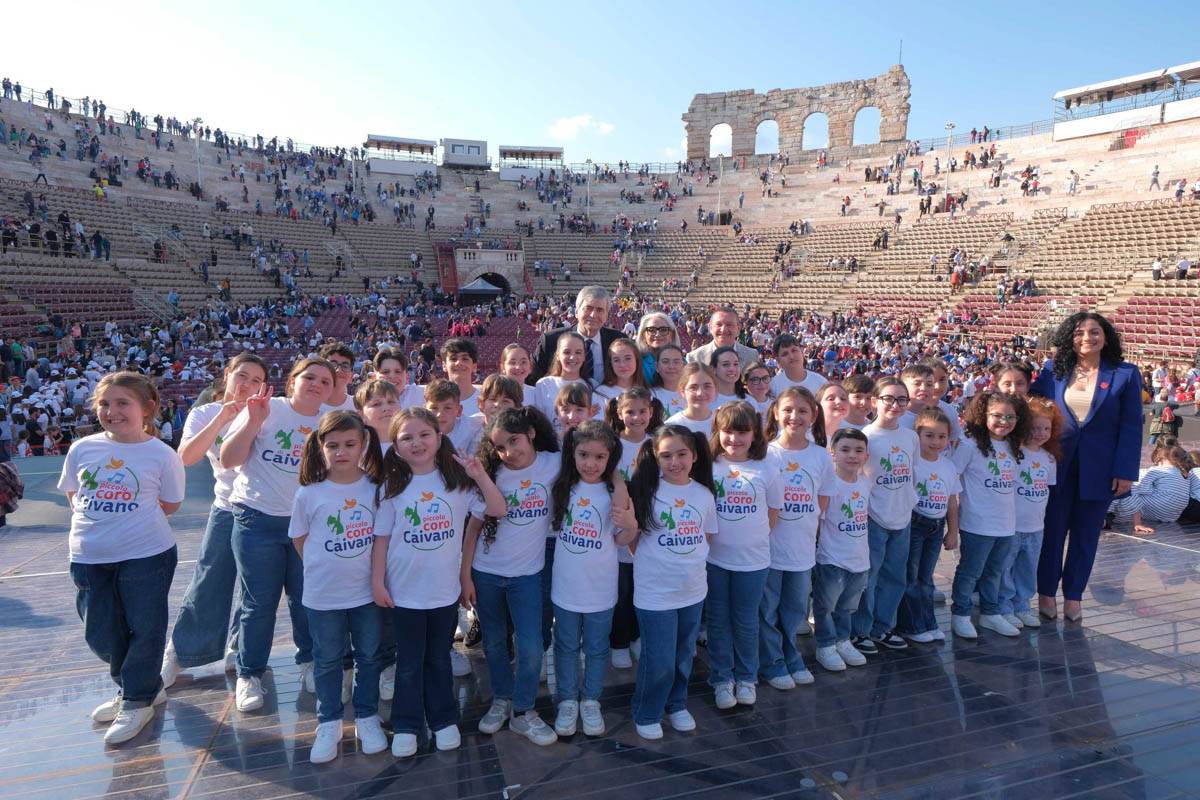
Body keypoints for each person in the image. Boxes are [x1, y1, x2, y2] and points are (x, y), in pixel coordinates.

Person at [59, 372, 186, 744]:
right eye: (104, 403)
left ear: (147, 408)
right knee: (101, 634)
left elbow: (170, 504)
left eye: (122, 403)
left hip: (146, 555)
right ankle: (141, 686)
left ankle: (136, 699)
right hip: (88, 556)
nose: (111, 411)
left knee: (145, 629)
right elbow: (73, 494)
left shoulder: (162, 455)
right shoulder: (82, 449)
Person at [373, 407, 507, 757]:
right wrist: (377, 582)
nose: (416, 443)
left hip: (444, 594)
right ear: (396, 446)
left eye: (424, 435)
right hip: (404, 594)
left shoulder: (457, 483)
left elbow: (497, 509)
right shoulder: (391, 488)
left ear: (438, 437)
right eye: (407, 437)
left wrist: (480, 476)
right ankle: (406, 724)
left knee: (439, 659)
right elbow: (381, 539)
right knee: (408, 663)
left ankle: (443, 719)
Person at [220, 356, 337, 712]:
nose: (316, 384)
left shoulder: (330, 422)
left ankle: (309, 662)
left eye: (325, 381)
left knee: (305, 599)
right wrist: (253, 422)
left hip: (306, 526)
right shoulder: (266, 409)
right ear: (292, 381)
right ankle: (250, 673)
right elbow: (229, 458)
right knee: (259, 603)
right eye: (309, 377)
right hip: (258, 519)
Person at [162, 354, 267, 688]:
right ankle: (181, 653)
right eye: (242, 375)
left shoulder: (267, 412)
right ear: (227, 374)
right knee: (208, 581)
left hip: (263, 509)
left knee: (255, 587)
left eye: (256, 380)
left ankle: (240, 648)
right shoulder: (206, 412)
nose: (247, 385)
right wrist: (223, 417)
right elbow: (186, 456)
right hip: (226, 506)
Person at [1031, 312, 1142, 622]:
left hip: (1101, 470)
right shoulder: (1053, 370)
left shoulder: (1125, 374)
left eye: (1094, 332)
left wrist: (1125, 471)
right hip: (1056, 465)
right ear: (1069, 338)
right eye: (1079, 332)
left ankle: (1074, 596)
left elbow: (1132, 426)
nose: (1087, 338)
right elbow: (1031, 405)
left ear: (1106, 337)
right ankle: (1046, 593)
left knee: (1086, 536)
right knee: (1052, 532)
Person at [290, 411, 388, 764]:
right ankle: (329, 722)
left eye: (349, 444)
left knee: (369, 656)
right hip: (323, 596)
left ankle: (366, 716)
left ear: (363, 444)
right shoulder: (309, 493)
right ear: (321, 447)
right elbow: (299, 539)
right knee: (328, 660)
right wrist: (324, 568)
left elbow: (382, 538)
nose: (341, 451)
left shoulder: (376, 489)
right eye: (333, 445)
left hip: (366, 594)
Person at [462, 408, 560, 745]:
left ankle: (523, 710)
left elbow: (599, 461)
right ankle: (502, 699)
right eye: (500, 447)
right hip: (486, 573)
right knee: (493, 642)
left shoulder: (553, 463)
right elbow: (473, 529)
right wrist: (465, 576)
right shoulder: (490, 473)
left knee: (531, 646)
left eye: (514, 441)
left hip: (527, 576)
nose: (508, 452)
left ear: (531, 434)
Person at [628, 425, 719, 739]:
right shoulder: (646, 492)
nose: (674, 462)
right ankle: (647, 711)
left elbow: (706, 535)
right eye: (666, 456)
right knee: (659, 659)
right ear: (655, 457)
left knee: (683, 655)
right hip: (655, 593)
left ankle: (676, 703)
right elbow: (633, 542)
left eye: (681, 454)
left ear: (694, 456)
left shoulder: (703, 493)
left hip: (692, 591)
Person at [549, 422, 638, 737]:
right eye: (584, 454)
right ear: (572, 453)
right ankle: (567, 700)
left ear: (610, 457)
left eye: (600, 457)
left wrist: (631, 524)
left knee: (598, 648)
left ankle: (590, 700)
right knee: (566, 646)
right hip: (565, 587)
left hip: (601, 588)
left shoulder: (615, 492)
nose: (590, 463)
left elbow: (623, 538)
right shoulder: (561, 486)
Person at [705, 402, 783, 709]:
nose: (734, 439)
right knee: (717, 621)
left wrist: (750, 540)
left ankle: (747, 677)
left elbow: (773, 513)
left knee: (746, 621)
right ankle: (721, 678)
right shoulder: (709, 466)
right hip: (714, 560)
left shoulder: (767, 468)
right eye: (728, 431)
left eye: (742, 432)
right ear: (717, 432)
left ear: (754, 434)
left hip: (753, 562)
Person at [761, 387, 833, 687]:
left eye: (802, 410)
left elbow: (823, 499)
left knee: (795, 609)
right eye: (788, 409)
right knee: (767, 610)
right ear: (776, 412)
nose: (795, 416)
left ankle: (792, 656)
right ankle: (772, 662)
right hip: (768, 549)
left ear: (813, 415)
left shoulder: (820, 456)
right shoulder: (765, 453)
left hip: (801, 548)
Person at [949, 391, 1029, 639]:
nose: (1004, 421)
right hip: (977, 523)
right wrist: (952, 523)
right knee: (970, 571)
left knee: (995, 571)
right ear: (983, 415)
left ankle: (990, 612)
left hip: (1005, 524)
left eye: (1010, 417)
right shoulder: (969, 445)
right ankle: (960, 614)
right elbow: (951, 478)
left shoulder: (1013, 445)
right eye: (997, 415)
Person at [851, 378, 919, 655]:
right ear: (875, 401)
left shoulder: (910, 437)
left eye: (901, 399)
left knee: (895, 576)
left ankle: (883, 626)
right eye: (888, 398)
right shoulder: (865, 437)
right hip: (873, 517)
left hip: (902, 515)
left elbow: (912, 473)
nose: (895, 404)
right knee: (869, 578)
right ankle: (860, 630)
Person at [605, 387, 662, 668]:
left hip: (647, 531)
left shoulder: (656, 444)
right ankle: (618, 642)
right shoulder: (612, 445)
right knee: (621, 591)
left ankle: (638, 636)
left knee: (643, 588)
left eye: (642, 411)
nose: (636, 417)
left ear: (651, 412)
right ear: (619, 413)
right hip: (618, 528)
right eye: (630, 412)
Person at [895, 408, 960, 643]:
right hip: (915, 523)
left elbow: (952, 501)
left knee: (926, 577)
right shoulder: (913, 464)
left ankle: (928, 622)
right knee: (911, 576)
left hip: (936, 526)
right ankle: (911, 625)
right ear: (917, 436)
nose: (936, 442)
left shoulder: (948, 466)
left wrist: (952, 531)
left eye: (942, 436)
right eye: (929, 435)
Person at [811, 428, 872, 672]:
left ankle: (842, 640)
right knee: (826, 606)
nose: (852, 455)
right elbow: (818, 520)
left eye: (858, 450)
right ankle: (825, 644)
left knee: (847, 606)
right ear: (832, 453)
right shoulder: (829, 485)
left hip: (859, 559)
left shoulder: (865, 483)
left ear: (866, 455)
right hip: (832, 558)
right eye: (845, 449)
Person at [999, 397, 1060, 628]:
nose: (1040, 433)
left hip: (1036, 526)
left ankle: (1022, 605)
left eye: (1046, 428)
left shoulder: (1049, 459)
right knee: (1005, 569)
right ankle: (1004, 606)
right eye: (1035, 428)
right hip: (1012, 525)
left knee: (1027, 569)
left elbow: (1047, 488)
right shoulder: (1014, 453)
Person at [530, 286, 622, 384]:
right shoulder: (550, 341)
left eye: (600, 310)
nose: (593, 315)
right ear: (577, 311)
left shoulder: (618, 341)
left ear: (606, 315)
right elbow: (531, 381)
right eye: (588, 308)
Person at [1107, 442, 1192, 535]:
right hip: (1171, 516)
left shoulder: (1156, 470)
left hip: (1155, 508)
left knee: (1129, 486)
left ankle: (1108, 513)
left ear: (1161, 459)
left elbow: (1143, 489)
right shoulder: (1185, 474)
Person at [686, 307, 759, 367]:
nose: (723, 330)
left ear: (738, 328)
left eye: (729, 325)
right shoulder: (694, 358)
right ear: (710, 327)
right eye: (719, 324)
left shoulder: (752, 356)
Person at [665, 363, 718, 438]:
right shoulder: (672, 426)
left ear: (715, 388)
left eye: (707, 386)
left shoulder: (722, 422)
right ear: (682, 391)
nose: (700, 393)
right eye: (693, 387)